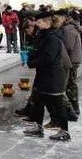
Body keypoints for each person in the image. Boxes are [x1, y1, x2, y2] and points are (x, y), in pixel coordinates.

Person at [23, 11, 71, 142]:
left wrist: (33, 62)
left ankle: (64, 131)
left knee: (57, 104)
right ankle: (38, 126)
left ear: (47, 22)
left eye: (39, 22)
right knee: (38, 102)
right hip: (43, 76)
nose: (37, 25)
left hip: (53, 77)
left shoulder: (53, 38)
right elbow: (38, 50)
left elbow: (49, 57)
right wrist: (31, 55)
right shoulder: (43, 35)